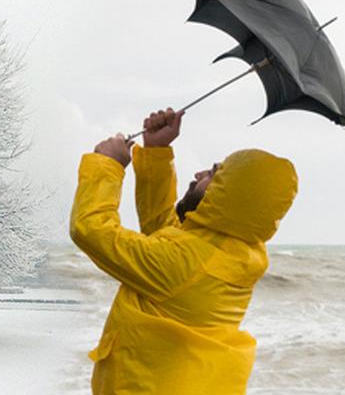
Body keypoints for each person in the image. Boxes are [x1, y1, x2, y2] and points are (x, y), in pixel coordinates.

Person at [70, 108, 298, 394]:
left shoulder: (187, 262)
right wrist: (157, 152)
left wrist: (107, 165)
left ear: (229, 196)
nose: (199, 173)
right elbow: (164, 235)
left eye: (215, 174)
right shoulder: (233, 250)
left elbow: (91, 229)